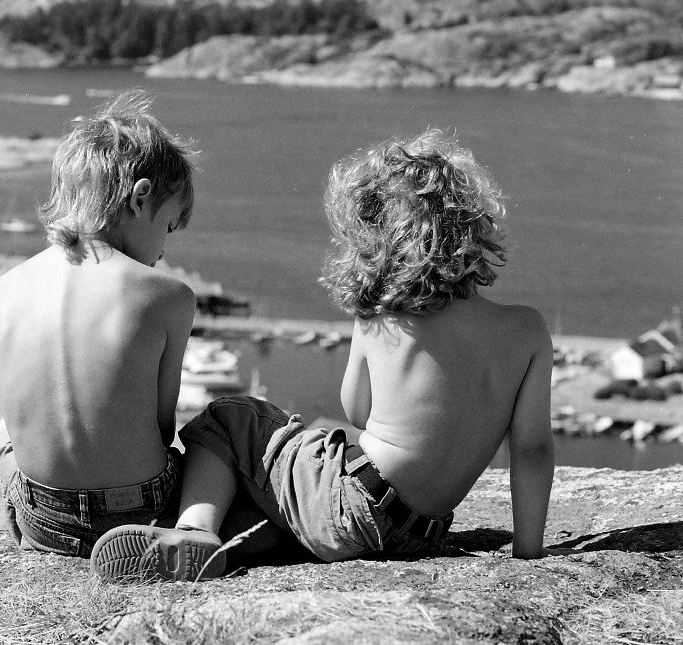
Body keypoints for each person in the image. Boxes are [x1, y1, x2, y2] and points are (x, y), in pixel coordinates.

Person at [91, 129, 555, 582]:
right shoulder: (527, 330)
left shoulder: (383, 315)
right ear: (472, 228)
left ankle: (193, 531)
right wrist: (528, 553)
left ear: (374, 238)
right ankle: (231, 541)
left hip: (356, 507)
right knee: (268, 512)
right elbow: (532, 450)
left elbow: (358, 410)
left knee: (230, 416)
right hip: (420, 532)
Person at [0, 90, 197, 556]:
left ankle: (25, 525)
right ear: (141, 197)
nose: (163, 248)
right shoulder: (168, 295)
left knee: (1, 435)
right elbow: (163, 429)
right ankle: (197, 532)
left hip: (45, 518)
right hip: (141, 513)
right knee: (224, 427)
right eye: (168, 226)